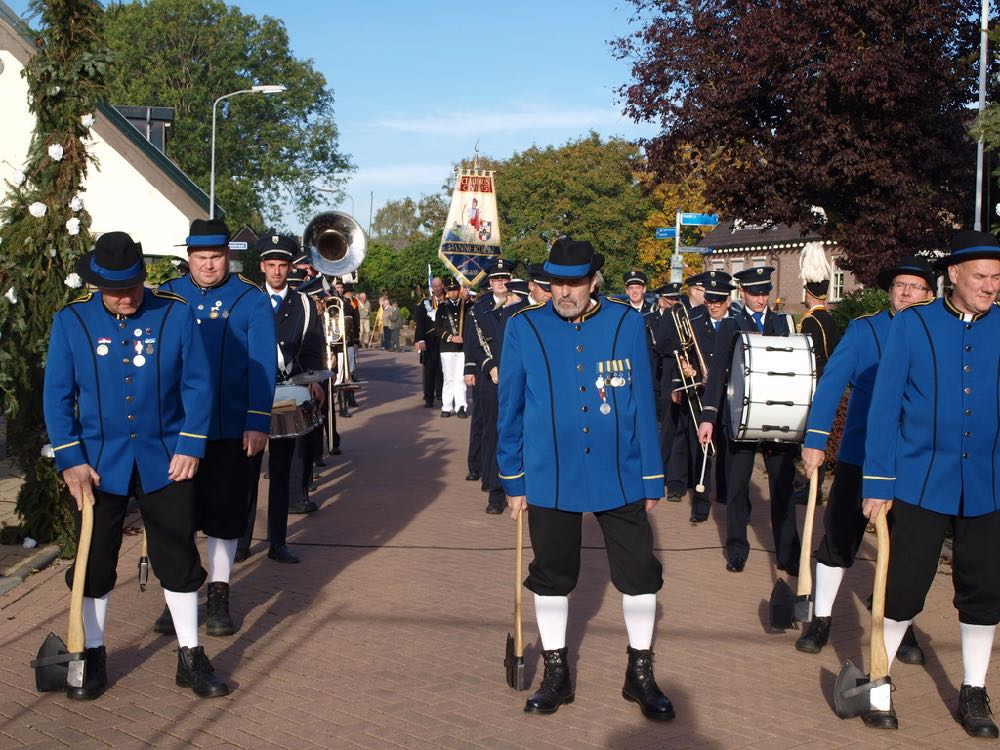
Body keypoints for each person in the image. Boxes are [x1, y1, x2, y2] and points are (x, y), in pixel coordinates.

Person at [43, 231, 228, 699]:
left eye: (131, 287)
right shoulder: (71, 321)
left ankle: (190, 655)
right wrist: (71, 459)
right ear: (97, 284)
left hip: (166, 458)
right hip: (98, 463)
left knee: (178, 558)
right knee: (93, 562)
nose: (124, 298)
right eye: (114, 290)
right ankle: (93, 653)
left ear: (144, 278)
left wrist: (190, 445)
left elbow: (198, 385)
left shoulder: (175, 313)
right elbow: (58, 396)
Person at [498, 237, 672, 720]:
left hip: (618, 471)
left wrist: (651, 476)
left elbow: (641, 402)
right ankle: (557, 674)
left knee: (640, 575)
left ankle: (640, 674)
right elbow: (508, 408)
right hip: (550, 474)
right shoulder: (523, 327)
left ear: (594, 280)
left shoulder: (626, 322)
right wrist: (513, 479)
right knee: (552, 577)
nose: (564, 292)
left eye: (574, 282)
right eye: (555, 282)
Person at [860, 231, 1000, 736]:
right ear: (954, 277)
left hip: (987, 482)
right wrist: (877, 480)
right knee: (904, 587)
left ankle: (974, 690)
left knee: (985, 590)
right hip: (918, 481)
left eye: (998, 277)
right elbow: (885, 406)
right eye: (981, 277)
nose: (991, 286)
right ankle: (878, 678)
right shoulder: (914, 324)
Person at [795, 256, 936, 661]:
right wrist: (816, 440)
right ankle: (821, 618)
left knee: (907, 551)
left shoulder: (936, 336)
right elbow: (831, 384)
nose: (906, 292)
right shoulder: (864, 329)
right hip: (861, 455)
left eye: (915, 287)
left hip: (912, 464)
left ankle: (898, 622)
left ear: (930, 295)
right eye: (899, 285)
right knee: (840, 537)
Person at [152, 219, 276, 637]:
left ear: (229, 256)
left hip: (228, 427)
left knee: (224, 516)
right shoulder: (167, 295)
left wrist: (257, 419)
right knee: (176, 516)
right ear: (188, 257)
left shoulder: (250, 298)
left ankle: (219, 593)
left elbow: (261, 364)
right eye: (201, 258)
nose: (208, 266)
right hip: (176, 429)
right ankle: (179, 595)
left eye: (216, 257)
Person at [697, 266, 801, 574]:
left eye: (765, 292)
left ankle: (788, 553)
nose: (760, 298)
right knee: (738, 488)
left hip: (777, 417)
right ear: (743, 293)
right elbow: (717, 375)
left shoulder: (784, 322)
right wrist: (708, 417)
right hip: (739, 417)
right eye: (755, 293)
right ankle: (737, 550)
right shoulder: (731, 325)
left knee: (782, 488)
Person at [245, 234, 326, 564]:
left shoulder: (304, 303)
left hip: (289, 391)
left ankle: (278, 541)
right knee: (247, 470)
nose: (277, 272)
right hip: (253, 393)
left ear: (290, 267)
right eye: (271, 265)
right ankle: (240, 540)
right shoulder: (249, 300)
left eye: (283, 266)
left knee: (282, 470)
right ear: (262, 266)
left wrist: (314, 379)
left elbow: (312, 346)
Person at [668, 275, 733, 522]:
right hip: (700, 393)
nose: (713, 306)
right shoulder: (694, 320)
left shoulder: (738, 323)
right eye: (709, 301)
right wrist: (684, 374)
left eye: (718, 301)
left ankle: (731, 497)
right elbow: (681, 354)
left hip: (730, 395)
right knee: (702, 450)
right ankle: (701, 505)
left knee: (729, 448)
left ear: (728, 300)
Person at [464, 259, 512, 483]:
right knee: (484, 424)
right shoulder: (479, 308)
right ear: (490, 283)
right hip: (487, 374)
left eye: (504, 278)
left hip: (511, 374)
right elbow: (472, 343)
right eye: (496, 279)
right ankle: (481, 469)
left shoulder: (518, 305)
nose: (500, 282)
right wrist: (474, 368)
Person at [435, 278, 469, 418]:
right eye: (450, 290)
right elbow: (437, 328)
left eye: (455, 289)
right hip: (447, 347)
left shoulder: (467, 306)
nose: (453, 293)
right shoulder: (442, 307)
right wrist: (450, 337)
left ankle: (461, 406)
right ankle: (447, 406)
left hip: (463, 348)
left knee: (461, 378)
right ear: (447, 292)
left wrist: (467, 300)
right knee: (449, 378)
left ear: (459, 290)